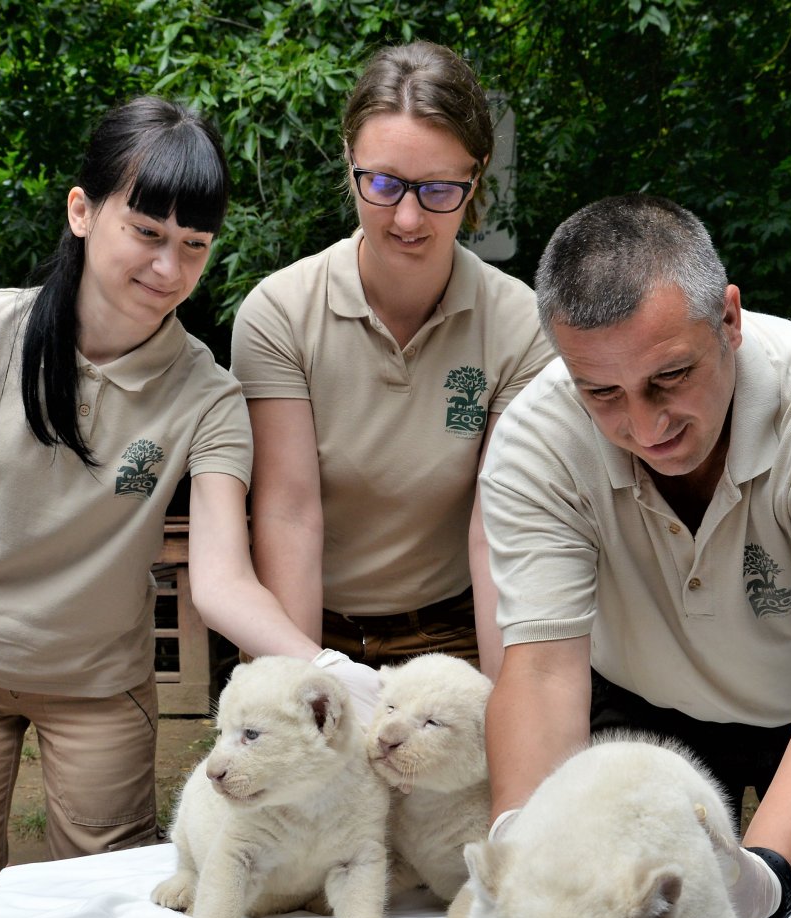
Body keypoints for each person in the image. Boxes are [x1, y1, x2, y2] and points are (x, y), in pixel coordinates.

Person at [0, 97, 377, 918]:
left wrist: (324, 667)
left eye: (193, 245)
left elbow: (221, 578)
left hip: (100, 689)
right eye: (146, 232)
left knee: (111, 912)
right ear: (82, 212)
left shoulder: (208, 395)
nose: (167, 266)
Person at [479, 194, 791, 918]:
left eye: (670, 377)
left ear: (729, 318)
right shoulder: (538, 441)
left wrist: (764, 877)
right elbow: (543, 669)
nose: (645, 425)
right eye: (602, 393)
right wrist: (523, 842)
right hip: (644, 703)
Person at [231, 41, 552, 678]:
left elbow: (498, 527)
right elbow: (289, 515)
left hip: (454, 631)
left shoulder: (519, 325)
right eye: (382, 183)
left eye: (438, 189)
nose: (408, 218)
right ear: (349, 159)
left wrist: (504, 699)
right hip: (308, 626)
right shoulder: (280, 313)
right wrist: (307, 685)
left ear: (477, 176)